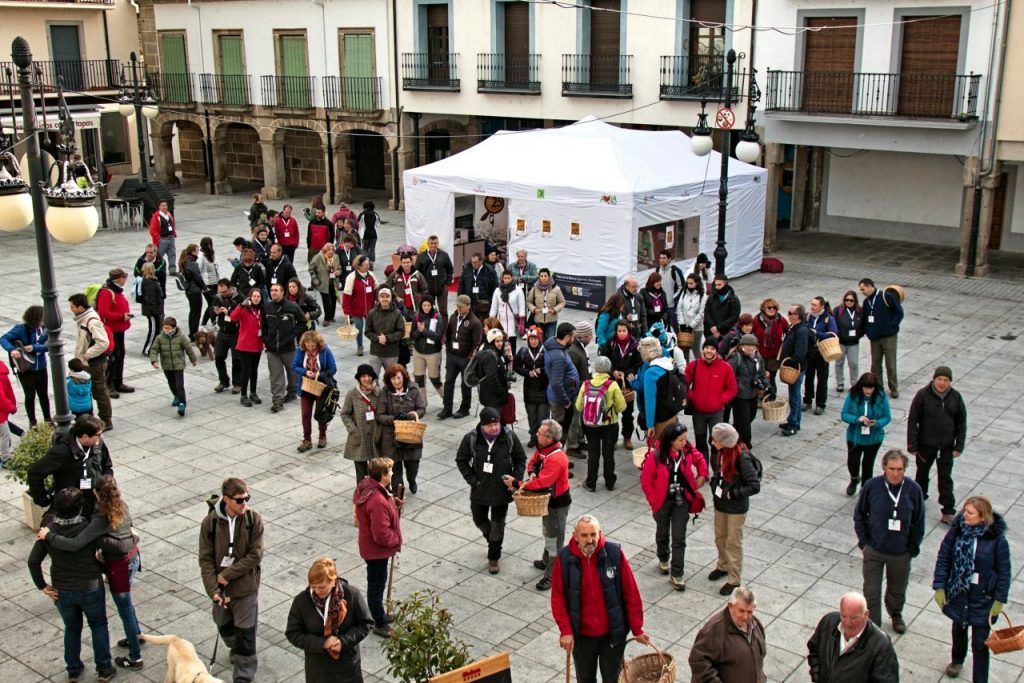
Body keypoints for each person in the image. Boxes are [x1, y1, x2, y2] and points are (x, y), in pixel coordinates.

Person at [39, 476, 143, 672]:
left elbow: (76, 543)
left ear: (95, 493)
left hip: (117, 566)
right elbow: (127, 534)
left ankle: (136, 656)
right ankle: (133, 637)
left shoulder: (99, 518)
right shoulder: (121, 505)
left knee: (125, 610)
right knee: (124, 609)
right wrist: (133, 539)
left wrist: (49, 536)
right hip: (130, 559)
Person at [27, 488, 117, 682]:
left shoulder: (48, 530)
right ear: (80, 507)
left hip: (62, 589)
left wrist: (42, 586)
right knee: (99, 625)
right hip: (90, 586)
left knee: (72, 628)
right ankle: (104, 669)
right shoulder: (88, 527)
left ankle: (73, 670)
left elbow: (33, 561)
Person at [550, 514, 649, 683]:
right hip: (582, 636)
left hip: (612, 634)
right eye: (584, 535)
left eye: (593, 534)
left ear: (600, 533)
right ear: (575, 536)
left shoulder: (614, 553)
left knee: (613, 678)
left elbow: (631, 592)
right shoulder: (565, 558)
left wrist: (637, 628)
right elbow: (558, 598)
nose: (590, 540)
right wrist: (565, 630)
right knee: (585, 679)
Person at [933, 495, 1011, 682]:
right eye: (964, 511)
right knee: (958, 631)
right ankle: (957, 660)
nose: (963, 515)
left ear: (982, 517)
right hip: (959, 594)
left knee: (980, 643)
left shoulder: (997, 540)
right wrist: (940, 587)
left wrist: (999, 600)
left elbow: (1004, 572)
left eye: (969, 513)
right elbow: (944, 558)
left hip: (983, 598)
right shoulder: (956, 532)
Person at [199, 477, 264, 683]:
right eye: (239, 500)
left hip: (245, 587)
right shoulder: (210, 523)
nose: (244, 503)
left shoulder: (253, 519)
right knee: (223, 625)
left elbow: (255, 556)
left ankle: (243, 676)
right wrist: (214, 590)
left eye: (247, 498)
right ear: (226, 499)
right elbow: (206, 559)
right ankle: (234, 647)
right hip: (221, 589)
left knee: (246, 635)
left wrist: (226, 575)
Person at [854, 449, 925, 634]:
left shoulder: (913, 490)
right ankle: (874, 625)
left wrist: (912, 548)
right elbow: (860, 514)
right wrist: (865, 542)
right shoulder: (872, 486)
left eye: (900, 469)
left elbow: (919, 521)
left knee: (897, 589)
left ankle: (896, 614)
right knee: (871, 591)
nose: (896, 473)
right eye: (892, 468)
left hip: (901, 552)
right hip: (875, 550)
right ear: (884, 467)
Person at [455, 407, 526, 574]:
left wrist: (515, 480)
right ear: (482, 426)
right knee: (479, 519)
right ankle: (493, 541)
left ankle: (493, 556)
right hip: (480, 489)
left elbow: (520, 459)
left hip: (502, 490)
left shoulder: (508, 436)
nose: (494, 428)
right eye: (490, 425)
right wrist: (473, 480)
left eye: (496, 424)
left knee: (497, 524)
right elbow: (461, 460)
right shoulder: (471, 438)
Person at [641, 423, 707, 590]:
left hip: (682, 500)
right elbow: (646, 480)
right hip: (662, 501)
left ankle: (677, 573)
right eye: (680, 440)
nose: (684, 442)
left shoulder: (687, 450)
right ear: (671, 441)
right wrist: (652, 499)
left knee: (679, 537)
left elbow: (700, 460)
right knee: (662, 532)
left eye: (685, 439)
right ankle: (663, 557)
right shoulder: (657, 456)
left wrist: (702, 475)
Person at [286, 556, 373, 681]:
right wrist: (322, 643)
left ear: (333, 581)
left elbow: (366, 623)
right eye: (313, 586)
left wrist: (343, 642)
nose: (316, 591)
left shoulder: (352, 595)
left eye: (321, 587)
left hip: (347, 668)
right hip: (318, 670)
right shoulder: (302, 601)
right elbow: (293, 633)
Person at [907, 365, 968, 525]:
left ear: (950, 381)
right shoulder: (922, 395)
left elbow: (961, 423)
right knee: (921, 475)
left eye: (945, 380)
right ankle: (918, 501)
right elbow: (913, 420)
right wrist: (912, 444)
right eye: (939, 379)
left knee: (945, 478)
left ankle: (948, 510)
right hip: (925, 445)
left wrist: (959, 446)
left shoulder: (956, 397)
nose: (942, 383)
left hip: (946, 447)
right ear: (934, 379)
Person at [515, 419, 571, 590]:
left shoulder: (556, 458)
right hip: (549, 501)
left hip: (557, 504)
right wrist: (531, 472)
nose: (536, 434)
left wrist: (519, 484)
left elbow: (542, 483)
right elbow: (532, 463)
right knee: (549, 532)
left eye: (540, 433)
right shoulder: (544, 449)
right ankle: (546, 561)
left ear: (549, 437)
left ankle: (551, 575)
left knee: (554, 539)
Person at [352, 457, 403, 638]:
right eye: (389, 471)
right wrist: (395, 540)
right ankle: (379, 623)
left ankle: (380, 614)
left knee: (377, 583)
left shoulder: (372, 489)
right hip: (376, 551)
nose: (392, 473)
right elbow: (380, 533)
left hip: (371, 548)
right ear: (382, 475)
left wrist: (393, 504)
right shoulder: (377, 500)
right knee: (376, 586)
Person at [708, 423, 759, 595]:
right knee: (720, 537)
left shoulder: (741, 458)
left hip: (736, 507)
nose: (713, 444)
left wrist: (732, 494)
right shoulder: (720, 453)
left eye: (715, 441)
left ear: (725, 442)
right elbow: (716, 474)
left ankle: (734, 578)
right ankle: (723, 565)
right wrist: (715, 485)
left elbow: (754, 485)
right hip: (720, 504)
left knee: (733, 542)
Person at [807, 592, 899, 683]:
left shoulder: (881, 646)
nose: (847, 623)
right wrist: (817, 677)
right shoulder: (829, 622)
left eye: (854, 618)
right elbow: (814, 649)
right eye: (843, 616)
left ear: (866, 614)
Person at [28, 412, 111, 513]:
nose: (101, 437)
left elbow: (107, 467)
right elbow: (34, 472)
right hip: (73, 506)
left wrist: (106, 484)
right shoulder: (62, 451)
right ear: (85, 437)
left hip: (96, 500)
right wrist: (42, 500)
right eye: (98, 435)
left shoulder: (98, 444)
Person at [689, 587, 767, 683]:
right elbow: (698, 661)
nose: (746, 617)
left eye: (750, 612)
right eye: (741, 611)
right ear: (730, 606)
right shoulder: (714, 630)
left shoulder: (755, 624)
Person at [375, 364, 427, 494]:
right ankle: (399, 492)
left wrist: (409, 416)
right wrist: (394, 419)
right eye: (393, 379)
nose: (396, 382)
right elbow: (380, 416)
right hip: (391, 438)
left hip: (410, 435)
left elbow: (421, 408)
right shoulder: (384, 393)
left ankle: (412, 480)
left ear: (403, 377)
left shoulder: (414, 390)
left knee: (412, 465)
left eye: (398, 378)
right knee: (395, 468)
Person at [576, 356, 626, 492]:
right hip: (610, 424)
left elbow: (579, 406)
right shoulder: (612, 385)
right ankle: (610, 482)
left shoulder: (586, 384)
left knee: (593, 454)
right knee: (608, 453)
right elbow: (622, 407)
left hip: (591, 425)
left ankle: (591, 482)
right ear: (609, 369)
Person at [684, 340, 738, 459]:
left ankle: (717, 472)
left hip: (716, 412)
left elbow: (732, 389)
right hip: (698, 412)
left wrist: (721, 399)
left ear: (716, 351)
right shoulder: (694, 365)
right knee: (700, 443)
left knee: (716, 444)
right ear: (703, 349)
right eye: (706, 347)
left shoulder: (725, 367)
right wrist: (692, 396)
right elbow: (684, 384)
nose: (709, 351)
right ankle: (703, 473)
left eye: (712, 348)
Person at [841, 372, 891, 496]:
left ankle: (865, 492)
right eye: (866, 388)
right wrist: (857, 419)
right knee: (853, 462)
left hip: (873, 438)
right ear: (861, 387)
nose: (868, 391)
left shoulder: (881, 397)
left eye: (871, 388)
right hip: (855, 436)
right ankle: (854, 479)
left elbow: (887, 417)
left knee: (868, 465)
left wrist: (876, 423)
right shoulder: (853, 395)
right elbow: (844, 414)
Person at [1, 305, 51, 426]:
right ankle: (32, 422)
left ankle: (48, 419)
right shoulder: (21, 329)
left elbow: (50, 346)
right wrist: (12, 349)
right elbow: (3, 339)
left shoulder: (46, 329)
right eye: (42, 317)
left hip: (41, 367)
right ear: (35, 318)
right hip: (26, 368)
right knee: (30, 395)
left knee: (43, 394)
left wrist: (34, 347)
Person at [69, 292, 113, 430]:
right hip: (87, 363)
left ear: (80, 307)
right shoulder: (83, 319)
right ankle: (91, 419)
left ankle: (106, 421)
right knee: (89, 390)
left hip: (95, 363)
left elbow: (103, 342)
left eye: (72, 307)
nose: (71, 309)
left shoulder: (91, 321)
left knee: (99, 392)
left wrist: (87, 355)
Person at [292, 330, 337, 451]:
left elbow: (333, 368)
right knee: (306, 413)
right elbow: (294, 366)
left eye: (313, 345)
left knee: (321, 412)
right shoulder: (300, 351)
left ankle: (322, 436)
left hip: (322, 386)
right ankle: (307, 439)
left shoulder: (325, 351)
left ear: (317, 343)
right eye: (308, 345)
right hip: (306, 387)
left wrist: (319, 374)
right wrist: (305, 372)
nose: (310, 348)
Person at [439, 295, 482, 419]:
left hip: (465, 357)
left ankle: (465, 408)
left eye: (461, 306)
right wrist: (448, 350)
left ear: (468, 306)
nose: (458, 308)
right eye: (457, 306)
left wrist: (470, 358)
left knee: (465, 383)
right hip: (453, 355)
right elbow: (448, 334)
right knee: (448, 382)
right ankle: (447, 408)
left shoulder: (475, 322)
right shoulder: (453, 317)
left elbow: (476, 343)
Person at [599, 321, 641, 451]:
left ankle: (627, 438)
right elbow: (604, 360)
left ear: (628, 331)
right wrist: (613, 371)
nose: (622, 333)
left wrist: (628, 373)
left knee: (628, 414)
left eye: (624, 331)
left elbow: (638, 363)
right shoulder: (610, 344)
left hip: (627, 384)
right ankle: (613, 439)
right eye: (619, 331)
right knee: (612, 412)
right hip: (612, 383)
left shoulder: (634, 346)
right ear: (616, 332)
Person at [858, 279, 903, 397]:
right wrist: (868, 331)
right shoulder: (866, 302)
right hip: (874, 337)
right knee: (875, 364)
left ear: (869, 286)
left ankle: (893, 387)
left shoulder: (885, 296)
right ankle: (878, 387)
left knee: (890, 363)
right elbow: (865, 318)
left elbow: (899, 312)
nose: (861, 291)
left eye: (863, 289)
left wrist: (892, 326)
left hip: (889, 337)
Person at [264, 283, 305, 412]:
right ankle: (277, 401)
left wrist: (292, 335)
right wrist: (265, 339)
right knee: (276, 375)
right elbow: (263, 326)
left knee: (293, 373)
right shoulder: (267, 307)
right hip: (272, 349)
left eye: (276, 290)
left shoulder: (292, 307)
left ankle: (292, 391)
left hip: (288, 347)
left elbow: (303, 323)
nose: (273, 292)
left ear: (282, 292)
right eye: (271, 290)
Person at [95, 269, 134, 398]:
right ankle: (109, 384)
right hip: (111, 330)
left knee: (120, 354)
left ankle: (118, 382)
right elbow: (103, 313)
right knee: (113, 357)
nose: (125, 280)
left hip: (119, 329)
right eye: (124, 278)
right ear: (118, 279)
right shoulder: (107, 292)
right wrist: (121, 316)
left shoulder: (116, 290)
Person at [149, 316, 197, 416]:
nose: (166, 330)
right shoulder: (159, 338)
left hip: (178, 364)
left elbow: (189, 349)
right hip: (167, 365)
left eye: (168, 328)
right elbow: (154, 350)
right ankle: (176, 396)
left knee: (180, 385)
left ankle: (182, 403)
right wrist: (154, 361)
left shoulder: (181, 337)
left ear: (174, 328)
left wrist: (193, 359)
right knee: (171, 383)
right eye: (164, 328)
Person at [341, 365, 380, 481]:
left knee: (377, 471)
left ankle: (377, 495)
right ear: (359, 378)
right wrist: (353, 430)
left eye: (369, 376)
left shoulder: (379, 393)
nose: (367, 379)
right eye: (363, 376)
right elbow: (345, 413)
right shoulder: (352, 394)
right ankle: (362, 495)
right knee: (361, 474)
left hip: (376, 437)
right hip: (359, 437)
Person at [727, 334, 767, 448]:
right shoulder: (736, 357)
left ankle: (736, 433)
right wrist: (736, 387)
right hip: (740, 395)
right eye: (747, 345)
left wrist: (767, 386)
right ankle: (745, 443)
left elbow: (762, 373)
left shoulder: (758, 357)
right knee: (744, 421)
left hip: (752, 393)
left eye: (752, 345)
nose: (749, 347)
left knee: (751, 415)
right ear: (741, 346)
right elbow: (729, 376)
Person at [779, 304, 813, 437]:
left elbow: (800, 352)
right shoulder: (795, 327)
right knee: (794, 394)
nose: (787, 315)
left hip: (795, 368)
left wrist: (789, 362)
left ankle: (793, 424)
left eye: (790, 312)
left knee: (794, 396)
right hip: (794, 367)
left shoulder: (801, 330)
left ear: (797, 316)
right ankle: (794, 421)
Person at [803, 296, 839, 415]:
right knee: (808, 378)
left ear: (822, 306)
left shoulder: (828, 318)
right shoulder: (808, 317)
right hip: (809, 352)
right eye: (812, 304)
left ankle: (820, 404)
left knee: (822, 380)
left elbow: (833, 334)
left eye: (815, 305)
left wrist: (817, 333)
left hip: (822, 352)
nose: (812, 307)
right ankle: (807, 400)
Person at [544, 323, 580, 441]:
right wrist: (566, 402)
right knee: (559, 430)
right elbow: (556, 383)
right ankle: (557, 454)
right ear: (567, 337)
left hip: (561, 396)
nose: (574, 339)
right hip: (561, 401)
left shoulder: (555, 344)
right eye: (573, 336)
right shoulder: (558, 356)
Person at [230, 289, 266, 407]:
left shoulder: (262, 310)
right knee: (247, 370)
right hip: (245, 345)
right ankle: (243, 395)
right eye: (254, 296)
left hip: (257, 345)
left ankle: (253, 393)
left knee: (254, 370)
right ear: (250, 297)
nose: (256, 298)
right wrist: (241, 305)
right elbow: (233, 317)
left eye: (258, 297)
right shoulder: (244, 309)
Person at [514, 326, 549, 447]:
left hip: (543, 389)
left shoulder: (546, 351)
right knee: (532, 417)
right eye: (531, 339)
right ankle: (533, 437)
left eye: (536, 339)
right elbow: (516, 366)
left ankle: (543, 438)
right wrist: (527, 372)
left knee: (543, 418)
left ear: (540, 339)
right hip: (529, 390)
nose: (533, 341)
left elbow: (552, 367)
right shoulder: (523, 351)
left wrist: (542, 370)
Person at [211, 279, 244, 393]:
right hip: (222, 331)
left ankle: (237, 383)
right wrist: (215, 311)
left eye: (224, 292)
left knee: (237, 359)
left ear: (230, 288)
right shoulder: (218, 297)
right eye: (220, 292)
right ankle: (223, 381)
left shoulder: (239, 298)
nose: (222, 294)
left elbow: (243, 315)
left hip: (235, 332)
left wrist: (228, 313)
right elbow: (210, 312)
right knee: (218, 356)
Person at [751, 297, 788, 397]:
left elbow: (788, 332)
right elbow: (750, 333)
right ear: (763, 308)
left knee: (771, 376)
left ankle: (771, 396)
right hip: (760, 354)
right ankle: (760, 395)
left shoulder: (781, 320)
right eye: (769, 307)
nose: (772, 309)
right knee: (759, 375)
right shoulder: (756, 320)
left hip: (774, 355)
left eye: (774, 308)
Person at [341, 255, 377, 355]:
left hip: (370, 309)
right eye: (365, 264)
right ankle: (360, 346)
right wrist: (347, 311)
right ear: (359, 266)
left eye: (368, 264)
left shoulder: (371, 275)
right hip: (357, 309)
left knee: (373, 328)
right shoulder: (351, 277)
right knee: (359, 328)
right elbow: (346, 295)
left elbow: (376, 290)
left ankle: (374, 346)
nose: (368, 266)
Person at [364, 288, 406, 375]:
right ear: (378, 298)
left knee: (391, 379)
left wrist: (387, 338)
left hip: (391, 353)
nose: (385, 299)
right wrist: (377, 338)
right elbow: (367, 331)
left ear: (391, 298)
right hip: (375, 352)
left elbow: (401, 332)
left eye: (387, 296)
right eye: (382, 296)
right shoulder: (371, 313)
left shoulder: (397, 313)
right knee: (373, 379)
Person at [476, 328, 512, 422]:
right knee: (494, 421)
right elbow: (491, 378)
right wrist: (501, 391)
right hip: (492, 397)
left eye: (501, 340)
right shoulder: (490, 356)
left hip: (493, 396)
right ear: (491, 341)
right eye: (497, 341)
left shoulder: (496, 351)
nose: (500, 343)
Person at [415, 235, 455, 319]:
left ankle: (444, 330)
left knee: (443, 311)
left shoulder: (444, 255)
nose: (433, 245)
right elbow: (417, 272)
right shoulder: (421, 256)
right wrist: (421, 287)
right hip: (428, 289)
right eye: (431, 243)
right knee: (429, 311)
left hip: (442, 288)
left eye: (435, 243)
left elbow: (450, 269)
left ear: (438, 243)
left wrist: (447, 284)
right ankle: (429, 329)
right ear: (428, 244)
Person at [410, 295, 443, 394]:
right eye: (424, 305)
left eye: (428, 305)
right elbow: (412, 336)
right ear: (421, 305)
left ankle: (447, 401)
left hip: (433, 353)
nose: (426, 307)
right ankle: (422, 405)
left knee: (435, 379)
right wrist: (419, 332)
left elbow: (438, 336)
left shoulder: (437, 317)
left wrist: (424, 330)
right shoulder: (416, 317)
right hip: (418, 352)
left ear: (432, 306)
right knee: (419, 379)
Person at [833, 290, 864, 393]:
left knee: (853, 363)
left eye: (851, 300)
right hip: (841, 342)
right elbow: (834, 324)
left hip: (853, 343)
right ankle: (840, 383)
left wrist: (859, 335)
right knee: (839, 363)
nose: (849, 302)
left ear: (855, 301)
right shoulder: (838, 310)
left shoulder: (860, 311)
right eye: (847, 300)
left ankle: (854, 384)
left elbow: (864, 325)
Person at [490, 271, 527, 353]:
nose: (506, 280)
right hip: (501, 321)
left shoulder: (518, 290)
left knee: (512, 346)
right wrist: (491, 320)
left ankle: (512, 361)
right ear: (502, 279)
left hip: (512, 321)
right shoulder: (497, 290)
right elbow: (494, 306)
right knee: (500, 345)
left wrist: (521, 322)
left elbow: (521, 306)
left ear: (512, 278)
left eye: (508, 278)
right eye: (505, 278)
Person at [308, 243, 342, 325]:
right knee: (326, 301)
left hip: (333, 282)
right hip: (323, 283)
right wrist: (314, 278)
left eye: (332, 250)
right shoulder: (318, 257)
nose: (331, 251)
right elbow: (311, 269)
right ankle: (327, 318)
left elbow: (339, 267)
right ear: (325, 250)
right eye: (329, 250)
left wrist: (338, 272)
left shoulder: (336, 257)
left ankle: (331, 316)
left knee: (333, 299)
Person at [177, 244, 205, 341]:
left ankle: (192, 333)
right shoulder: (192, 263)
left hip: (189, 290)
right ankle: (193, 334)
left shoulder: (185, 261)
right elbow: (197, 277)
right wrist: (204, 287)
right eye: (197, 251)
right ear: (193, 252)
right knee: (196, 313)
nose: (198, 253)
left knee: (192, 312)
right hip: (194, 290)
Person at [704, 273, 741, 346]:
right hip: (710, 332)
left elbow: (734, 317)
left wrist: (718, 328)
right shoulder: (712, 297)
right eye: (716, 284)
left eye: (719, 285)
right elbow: (707, 312)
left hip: (726, 334)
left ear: (726, 284)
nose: (717, 287)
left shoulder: (733, 299)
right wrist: (712, 327)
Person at [458, 253, 497, 321]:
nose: (473, 264)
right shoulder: (467, 270)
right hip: (470, 302)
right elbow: (461, 284)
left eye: (475, 262)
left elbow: (494, 286)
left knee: (483, 323)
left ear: (481, 261)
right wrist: (461, 300)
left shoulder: (489, 270)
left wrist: (491, 301)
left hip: (484, 302)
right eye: (472, 262)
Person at [676, 275, 706, 362]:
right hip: (684, 327)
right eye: (688, 283)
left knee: (695, 349)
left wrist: (691, 326)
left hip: (697, 328)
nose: (689, 285)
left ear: (696, 283)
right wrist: (681, 324)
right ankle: (686, 370)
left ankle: (701, 367)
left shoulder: (702, 295)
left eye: (691, 283)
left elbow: (701, 313)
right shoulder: (684, 293)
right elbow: (679, 308)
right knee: (684, 349)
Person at [136, 263, 163, 356]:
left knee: (155, 330)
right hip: (152, 311)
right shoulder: (149, 282)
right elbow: (150, 298)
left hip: (154, 309)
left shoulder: (151, 280)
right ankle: (147, 349)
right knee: (153, 330)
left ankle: (151, 348)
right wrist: (155, 311)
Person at [148, 199, 177, 275]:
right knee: (159, 255)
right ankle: (155, 270)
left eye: (166, 205)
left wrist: (173, 234)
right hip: (163, 239)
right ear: (159, 207)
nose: (165, 207)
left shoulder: (169, 214)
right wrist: (159, 239)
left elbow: (172, 224)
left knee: (172, 254)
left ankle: (172, 270)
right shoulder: (156, 217)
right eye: (163, 205)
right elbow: (152, 230)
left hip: (171, 238)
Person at [197, 237, 221, 324]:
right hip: (207, 284)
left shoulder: (212, 254)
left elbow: (217, 268)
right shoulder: (201, 256)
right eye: (207, 244)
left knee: (213, 304)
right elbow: (198, 271)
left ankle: (210, 322)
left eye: (210, 244)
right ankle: (208, 322)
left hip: (215, 283)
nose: (209, 246)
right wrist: (203, 285)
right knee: (211, 304)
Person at [357, 200, 381, 267]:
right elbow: (378, 224)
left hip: (365, 234)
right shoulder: (375, 214)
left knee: (365, 249)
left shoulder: (362, 214)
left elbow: (358, 223)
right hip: (374, 234)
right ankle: (371, 263)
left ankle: (364, 263)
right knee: (372, 249)